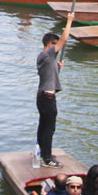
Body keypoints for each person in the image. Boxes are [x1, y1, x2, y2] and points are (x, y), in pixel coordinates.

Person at [35, 17, 75, 166]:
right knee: (49, 129)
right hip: (47, 98)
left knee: (43, 126)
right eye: (55, 45)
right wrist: (69, 21)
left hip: (43, 97)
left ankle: (42, 153)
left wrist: (58, 69)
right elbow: (64, 40)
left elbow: (48, 76)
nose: (56, 48)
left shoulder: (44, 58)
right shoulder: (47, 54)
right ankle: (47, 158)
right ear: (50, 44)